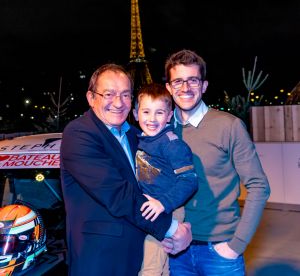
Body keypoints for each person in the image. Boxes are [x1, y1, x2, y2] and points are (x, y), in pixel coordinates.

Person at [60, 63, 192, 276]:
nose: (118, 103)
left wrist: (176, 228)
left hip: (138, 252)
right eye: (109, 94)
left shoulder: (136, 136)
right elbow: (118, 194)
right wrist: (172, 229)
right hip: (101, 258)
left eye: (125, 95)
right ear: (91, 98)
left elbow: (160, 183)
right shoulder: (79, 134)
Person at [162, 49, 271, 275]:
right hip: (175, 251)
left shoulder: (228, 126)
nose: (185, 88)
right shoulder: (162, 130)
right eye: (178, 81)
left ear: (204, 86)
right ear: (169, 88)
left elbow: (259, 186)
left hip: (220, 252)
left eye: (193, 80)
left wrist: (236, 246)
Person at [132, 83, 199, 276]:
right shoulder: (142, 140)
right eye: (146, 112)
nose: (152, 119)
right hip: (151, 208)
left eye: (159, 113)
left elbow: (189, 180)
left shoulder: (172, 144)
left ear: (169, 116)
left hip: (168, 209)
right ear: (136, 114)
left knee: (150, 268)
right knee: (161, 266)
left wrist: (163, 203)